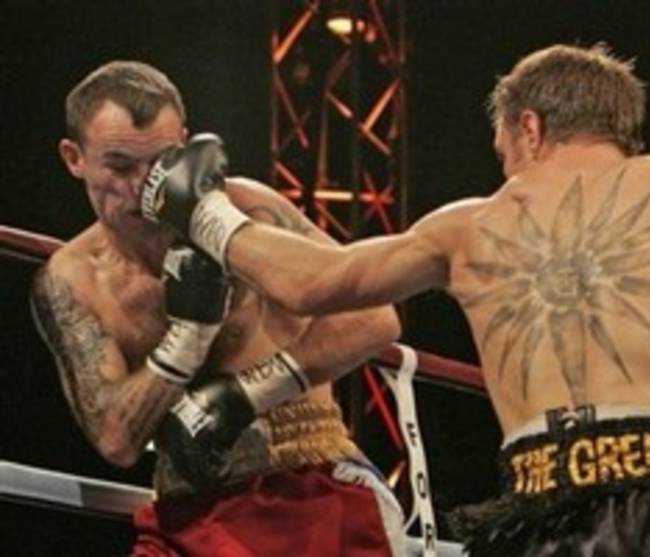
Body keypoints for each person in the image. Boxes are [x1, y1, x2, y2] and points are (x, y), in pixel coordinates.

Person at [142, 43, 650, 556]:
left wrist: (203, 211)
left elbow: (315, 282)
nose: (508, 173)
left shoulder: (473, 224)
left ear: (529, 127)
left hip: (553, 514)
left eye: (504, 154)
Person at [29, 60, 407, 557]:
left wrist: (246, 395)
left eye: (160, 162)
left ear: (185, 145)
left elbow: (376, 316)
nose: (143, 188)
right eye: (119, 167)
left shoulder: (245, 212)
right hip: (184, 513)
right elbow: (116, 440)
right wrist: (188, 337)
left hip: (310, 488)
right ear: (74, 157)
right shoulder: (71, 278)